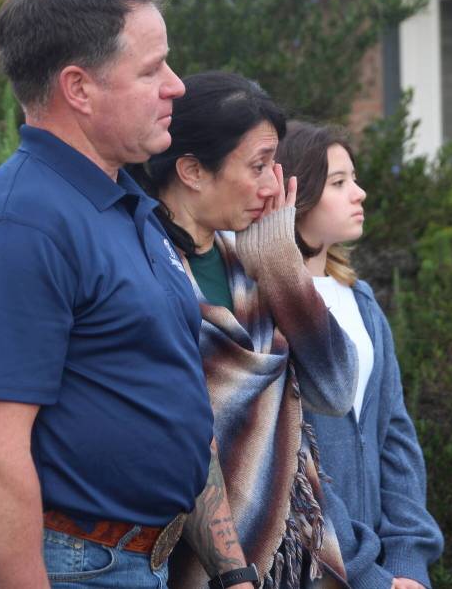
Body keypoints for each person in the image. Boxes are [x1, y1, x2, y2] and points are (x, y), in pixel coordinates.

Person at [0, 0, 257, 589]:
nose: (176, 87)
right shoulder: (22, 224)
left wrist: (231, 569)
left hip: (120, 560)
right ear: (79, 88)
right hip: (62, 560)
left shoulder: (121, 205)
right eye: (152, 69)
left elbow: (161, 390)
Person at [128, 71, 358, 589]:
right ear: (192, 170)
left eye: (274, 167)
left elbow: (336, 389)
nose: (272, 186)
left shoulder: (251, 262)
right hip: (178, 560)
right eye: (257, 166)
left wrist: (282, 266)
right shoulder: (143, 266)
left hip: (290, 559)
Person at [274, 121, 444, 589]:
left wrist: (409, 561)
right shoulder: (269, 307)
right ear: (296, 193)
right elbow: (290, 459)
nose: (360, 193)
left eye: (354, 178)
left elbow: (395, 434)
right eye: (339, 182)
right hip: (309, 570)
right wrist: (364, 571)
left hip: (390, 572)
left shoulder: (361, 301)